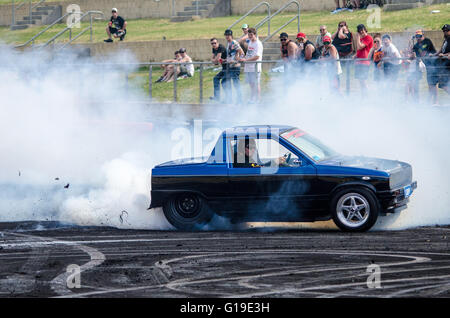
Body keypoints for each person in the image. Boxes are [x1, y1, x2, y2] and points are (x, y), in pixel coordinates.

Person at [413, 29, 438, 104]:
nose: (418, 38)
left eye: (420, 36)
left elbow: (433, 51)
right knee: (430, 83)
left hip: (433, 64)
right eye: (417, 36)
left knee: (433, 83)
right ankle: (430, 100)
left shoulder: (427, 41)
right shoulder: (416, 46)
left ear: (422, 35)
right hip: (426, 65)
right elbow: (415, 55)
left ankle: (435, 101)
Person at [241, 28, 263, 103]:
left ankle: (258, 99)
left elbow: (257, 56)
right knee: (251, 84)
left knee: (256, 84)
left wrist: (246, 60)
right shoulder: (250, 42)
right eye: (249, 35)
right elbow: (249, 53)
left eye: (251, 35)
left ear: (255, 35)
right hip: (248, 67)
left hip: (255, 67)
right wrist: (244, 58)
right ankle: (253, 98)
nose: (250, 36)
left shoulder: (258, 43)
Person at [223, 29, 244, 104]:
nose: (227, 36)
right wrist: (225, 60)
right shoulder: (228, 43)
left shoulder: (234, 42)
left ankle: (240, 101)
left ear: (231, 35)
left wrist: (236, 61)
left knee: (236, 84)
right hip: (230, 66)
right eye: (226, 35)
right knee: (226, 82)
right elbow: (230, 56)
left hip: (235, 66)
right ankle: (230, 99)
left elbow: (242, 53)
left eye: (228, 35)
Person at [354, 24, 373, 90]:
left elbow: (359, 47)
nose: (361, 32)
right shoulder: (361, 39)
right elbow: (359, 50)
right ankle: (363, 96)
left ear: (365, 29)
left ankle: (366, 96)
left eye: (362, 30)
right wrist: (355, 55)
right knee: (360, 81)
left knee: (363, 81)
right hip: (359, 62)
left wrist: (358, 37)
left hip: (364, 62)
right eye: (359, 31)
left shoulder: (368, 38)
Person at [210, 38, 227, 102]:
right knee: (216, 79)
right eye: (212, 43)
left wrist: (215, 61)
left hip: (229, 68)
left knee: (224, 83)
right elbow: (212, 58)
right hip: (224, 68)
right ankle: (217, 97)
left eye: (215, 43)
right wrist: (215, 61)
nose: (214, 45)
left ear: (217, 42)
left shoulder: (221, 47)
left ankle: (228, 98)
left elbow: (217, 58)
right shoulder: (214, 49)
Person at [436, 24, 450, 95]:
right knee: (443, 84)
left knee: (444, 84)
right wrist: (435, 54)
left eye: (446, 31)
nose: (445, 32)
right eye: (444, 31)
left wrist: (443, 55)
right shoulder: (446, 39)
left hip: (448, 66)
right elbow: (442, 49)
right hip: (445, 65)